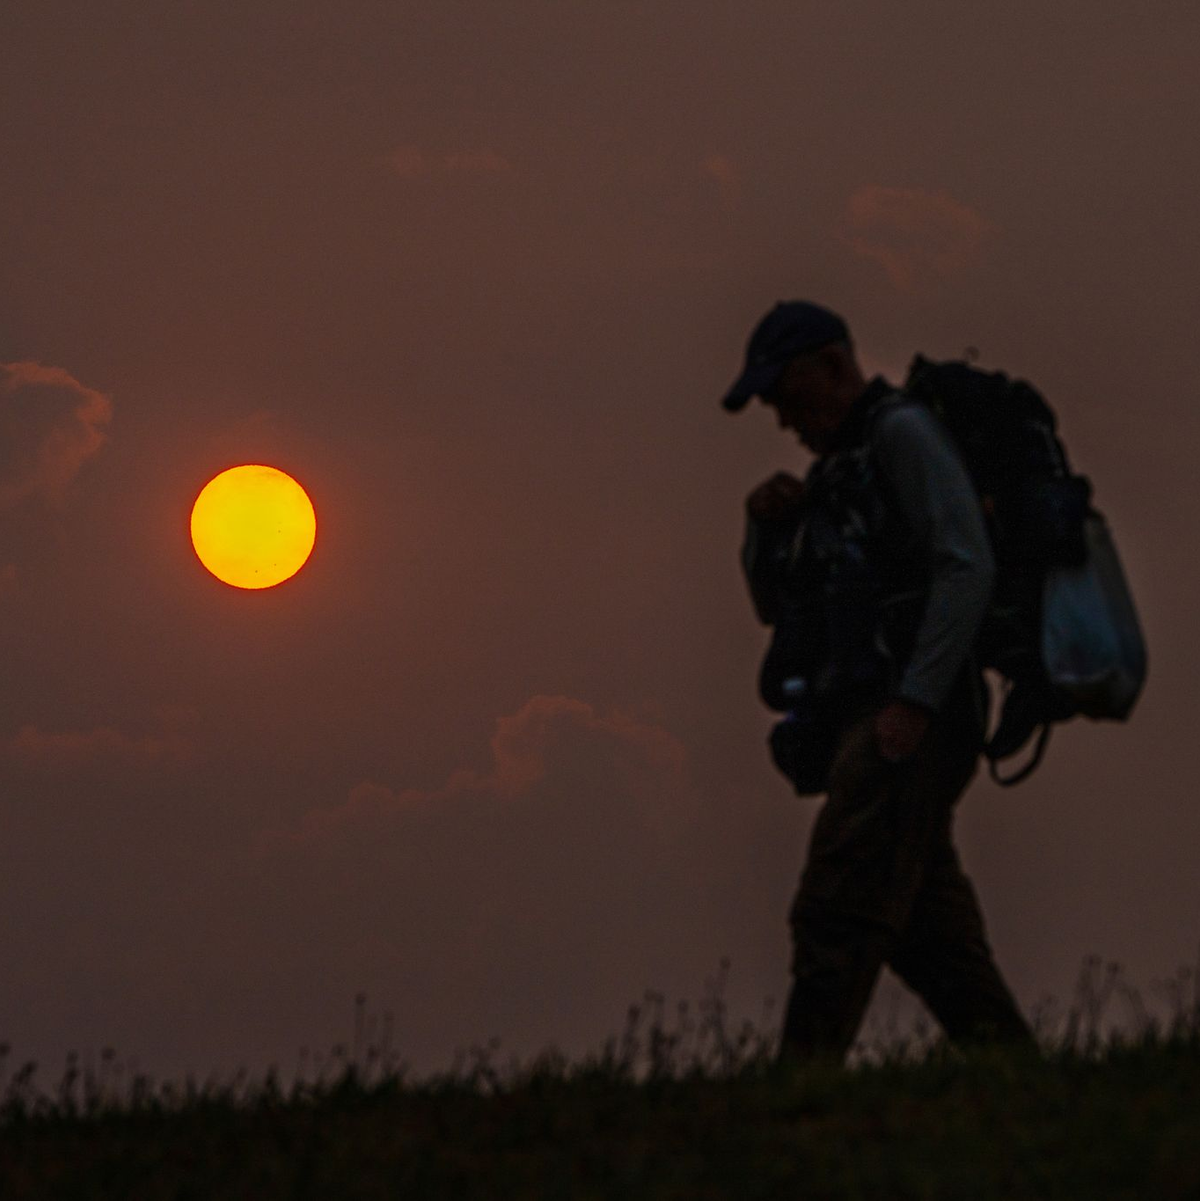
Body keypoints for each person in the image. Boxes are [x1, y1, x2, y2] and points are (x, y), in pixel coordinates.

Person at [722, 300, 1037, 1065]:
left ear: (834, 365)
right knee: (933, 934)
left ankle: (799, 1088)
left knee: (839, 899)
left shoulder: (900, 434)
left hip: (909, 714)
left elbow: (968, 563)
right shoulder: (836, 471)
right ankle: (1019, 1078)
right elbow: (777, 607)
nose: (783, 417)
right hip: (877, 710)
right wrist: (764, 527)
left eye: (787, 394)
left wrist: (916, 699)